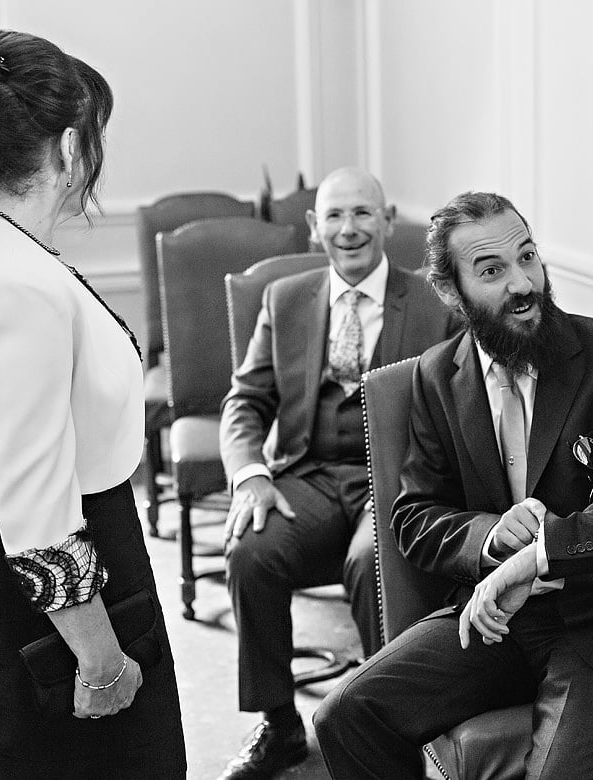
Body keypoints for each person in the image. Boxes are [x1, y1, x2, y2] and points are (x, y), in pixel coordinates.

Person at [314, 191, 593, 780]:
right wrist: (491, 537)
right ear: (451, 292)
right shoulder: (436, 378)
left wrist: (545, 553)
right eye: (492, 271)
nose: (523, 283)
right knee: (346, 715)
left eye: (528, 257)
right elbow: (413, 514)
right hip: (497, 623)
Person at [0, 30, 185, 779]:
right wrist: (99, 656)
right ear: (73, 145)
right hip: (40, 562)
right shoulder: (15, 286)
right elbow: (37, 517)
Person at [216, 167, 459, 780]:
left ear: (387, 219)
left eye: (362, 214)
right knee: (252, 550)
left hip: (400, 484)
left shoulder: (435, 305)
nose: (348, 230)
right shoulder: (285, 299)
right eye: (334, 216)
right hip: (312, 476)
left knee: (371, 562)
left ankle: (386, 724)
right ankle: (278, 723)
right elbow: (246, 402)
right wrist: (251, 476)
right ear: (313, 226)